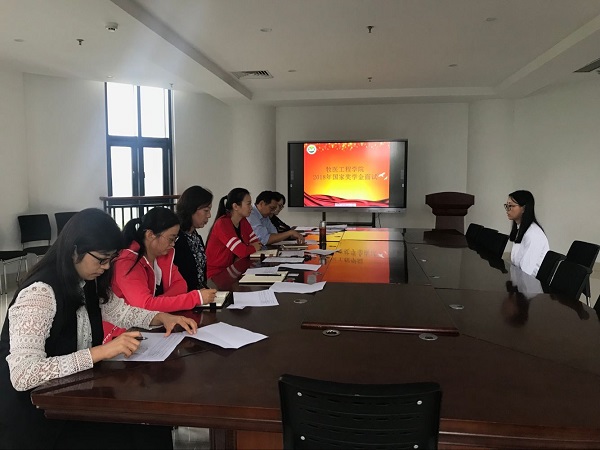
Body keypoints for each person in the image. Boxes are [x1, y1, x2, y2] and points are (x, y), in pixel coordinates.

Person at [0, 208, 197, 449]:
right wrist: (100, 352)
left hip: (71, 397)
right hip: (37, 417)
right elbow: (23, 374)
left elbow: (121, 312)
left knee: (152, 423)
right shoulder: (40, 293)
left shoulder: (88, 280)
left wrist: (161, 317)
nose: (105, 267)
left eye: (110, 259)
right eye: (101, 259)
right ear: (75, 250)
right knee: (134, 433)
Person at [104, 207, 213, 342]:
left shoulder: (162, 254)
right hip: (120, 335)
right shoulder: (127, 262)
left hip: (149, 326)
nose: (173, 244)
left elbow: (181, 285)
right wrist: (195, 298)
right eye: (170, 239)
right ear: (150, 235)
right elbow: (144, 306)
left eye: (175, 239)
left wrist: (157, 303)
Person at [205, 188, 262, 279]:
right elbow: (242, 251)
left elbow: (257, 243)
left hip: (235, 269)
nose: (251, 207)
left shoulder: (243, 221)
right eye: (248, 204)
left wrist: (249, 248)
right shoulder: (222, 224)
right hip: (217, 274)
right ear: (235, 206)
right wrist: (252, 248)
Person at [174, 185, 215, 291]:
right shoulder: (176, 240)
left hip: (200, 294)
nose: (209, 215)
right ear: (191, 209)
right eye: (206, 210)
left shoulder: (195, 236)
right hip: (186, 296)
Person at [505, 190, 549, 277]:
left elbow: (526, 272)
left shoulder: (533, 234)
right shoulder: (521, 229)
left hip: (531, 283)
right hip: (519, 279)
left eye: (511, 206)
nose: (507, 210)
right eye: (506, 206)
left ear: (524, 208)